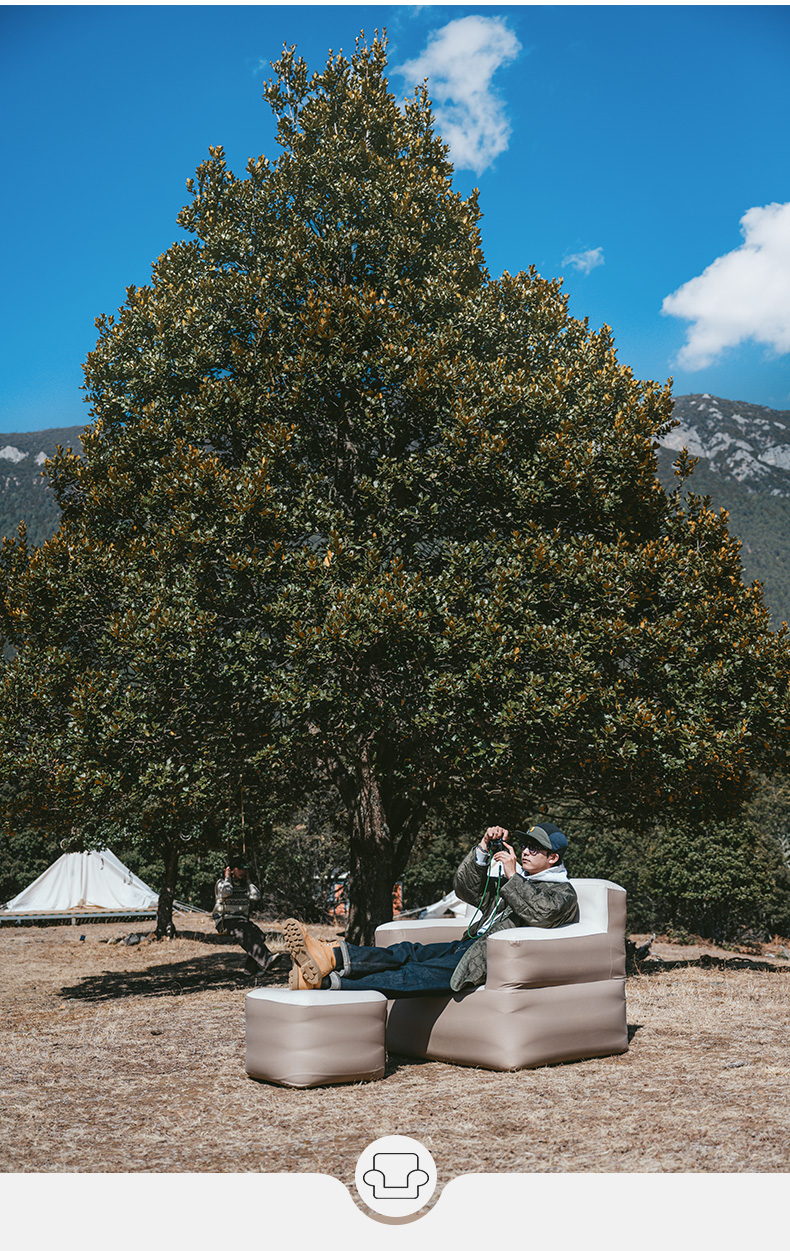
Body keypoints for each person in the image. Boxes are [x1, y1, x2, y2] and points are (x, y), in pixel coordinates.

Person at [283, 821, 579, 996]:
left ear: (553, 858)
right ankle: (329, 955)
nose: (525, 851)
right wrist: (481, 850)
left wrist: (513, 876)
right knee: (406, 951)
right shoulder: (516, 880)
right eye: (525, 844)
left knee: (413, 973)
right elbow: (466, 890)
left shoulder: (563, 893)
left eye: (534, 848)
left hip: (485, 960)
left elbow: (542, 914)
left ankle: (323, 983)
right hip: (467, 946)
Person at [213, 855, 280, 977]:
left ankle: (250, 969)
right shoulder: (222, 883)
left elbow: (256, 896)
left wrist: (249, 881)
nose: (242, 872)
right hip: (226, 920)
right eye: (239, 869)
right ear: (231, 870)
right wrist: (227, 877)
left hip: (241, 920)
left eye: (244, 869)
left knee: (259, 935)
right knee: (244, 933)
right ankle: (266, 959)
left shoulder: (245, 885)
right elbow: (227, 891)